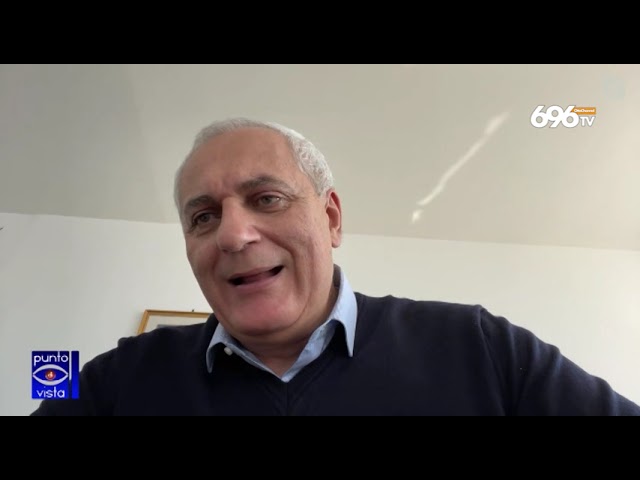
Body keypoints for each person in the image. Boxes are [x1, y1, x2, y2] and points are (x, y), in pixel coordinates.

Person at [31, 117, 640, 416]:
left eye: (267, 199)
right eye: (204, 216)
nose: (234, 235)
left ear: (331, 218)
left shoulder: (479, 347)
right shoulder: (113, 381)